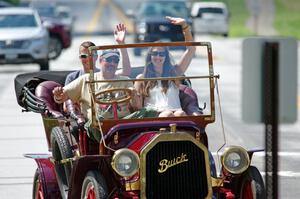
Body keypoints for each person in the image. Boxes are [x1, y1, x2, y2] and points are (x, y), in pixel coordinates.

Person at [53, 48, 134, 141]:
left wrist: (135, 95)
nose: (112, 63)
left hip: (123, 123)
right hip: (97, 124)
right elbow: (62, 96)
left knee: (149, 112)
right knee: (96, 119)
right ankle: (107, 143)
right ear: (100, 60)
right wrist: (58, 94)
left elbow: (136, 106)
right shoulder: (86, 79)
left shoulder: (125, 80)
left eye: (115, 61)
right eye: (108, 60)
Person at [134, 16, 196, 117]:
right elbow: (136, 106)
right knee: (167, 114)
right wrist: (134, 94)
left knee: (180, 114)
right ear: (150, 56)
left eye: (161, 54)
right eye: (154, 54)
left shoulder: (174, 73)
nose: (158, 57)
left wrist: (185, 26)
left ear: (166, 57)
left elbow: (191, 50)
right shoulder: (141, 78)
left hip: (176, 113)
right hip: (154, 115)